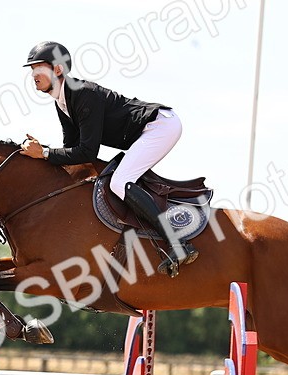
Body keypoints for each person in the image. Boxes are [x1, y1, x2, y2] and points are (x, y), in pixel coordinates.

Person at [19, 41, 197, 275]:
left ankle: (178, 244)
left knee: (120, 182)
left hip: (159, 127)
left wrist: (43, 153)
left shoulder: (82, 94)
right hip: (148, 131)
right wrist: (43, 153)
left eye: (39, 68)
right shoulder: (63, 101)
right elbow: (71, 149)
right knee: (119, 180)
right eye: (31, 70)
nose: (33, 75)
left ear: (58, 70)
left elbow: (87, 152)